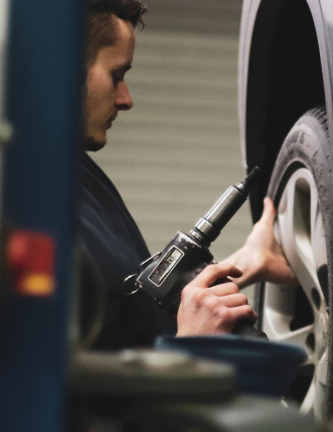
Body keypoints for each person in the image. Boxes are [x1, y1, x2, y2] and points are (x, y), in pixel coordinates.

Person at [79, 0, 296, 349]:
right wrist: (190, 345)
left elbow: (129, 311)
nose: (126, 99)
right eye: (117, 75)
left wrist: (244, 263)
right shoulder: (18, 205)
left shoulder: (80, 175)